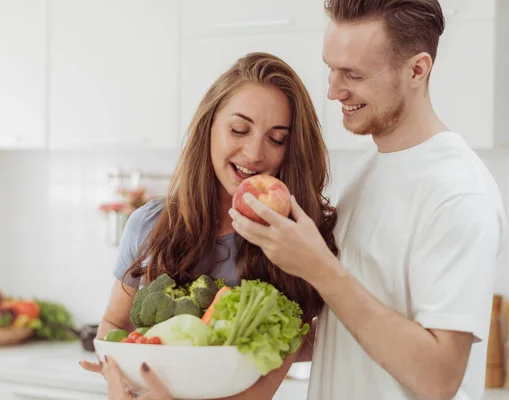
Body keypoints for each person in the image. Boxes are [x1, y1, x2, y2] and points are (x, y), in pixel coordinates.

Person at [230, 1, 508, 399]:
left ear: (417, 69)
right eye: (331, 68)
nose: (333, 90)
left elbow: (440, 377)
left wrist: (320, 268)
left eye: (353, 75)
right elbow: (348, 333)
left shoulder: (457, 193)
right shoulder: (367, 171)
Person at [79, 52, 339, 399]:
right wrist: (120, 373)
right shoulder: (150, 223)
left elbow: (264, 385)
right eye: (239, 130)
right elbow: (114, 324)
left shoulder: (294, 240)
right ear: (209, 125)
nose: (254, 153)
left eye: (277, 139)